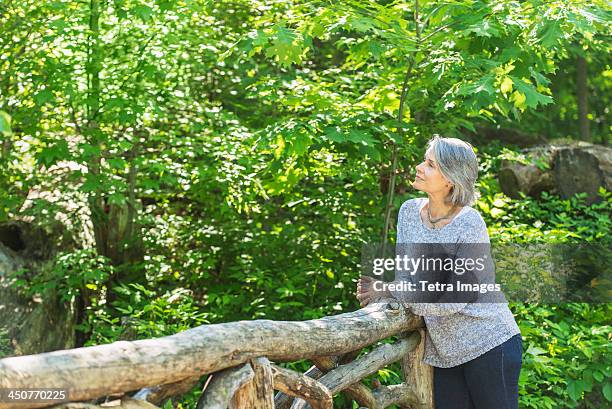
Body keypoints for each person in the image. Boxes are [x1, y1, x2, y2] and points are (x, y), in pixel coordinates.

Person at [356, 135, 523, 409]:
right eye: (425, 160)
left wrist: (386, 289)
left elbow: (451, 300)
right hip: (446, 353)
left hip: (491, 344)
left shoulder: (469, 224)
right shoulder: (409, 212)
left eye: (430, 164)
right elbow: (407, 278)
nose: (420, 167)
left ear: (450, 178)